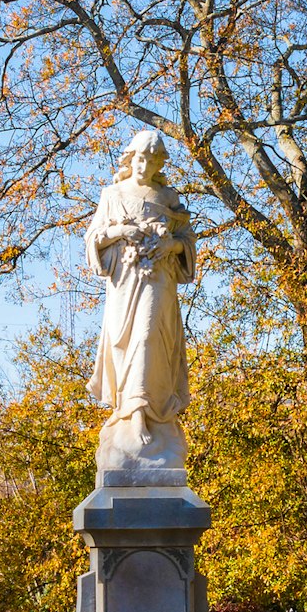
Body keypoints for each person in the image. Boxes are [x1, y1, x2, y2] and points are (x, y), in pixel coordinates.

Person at [85, 129, 198, 475]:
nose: (144, 165)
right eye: (139, 158)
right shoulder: (112, 194)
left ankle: (142, 414)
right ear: (130, 158)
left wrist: (172, 246)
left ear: (159, 163)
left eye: (152, 159)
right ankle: (129, 411)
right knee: (128, 342)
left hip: (158, 282)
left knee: (149, 338)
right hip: (124, 284)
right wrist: (121, 232)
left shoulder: (168, 197)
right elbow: (93, 239)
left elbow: (187, 240)